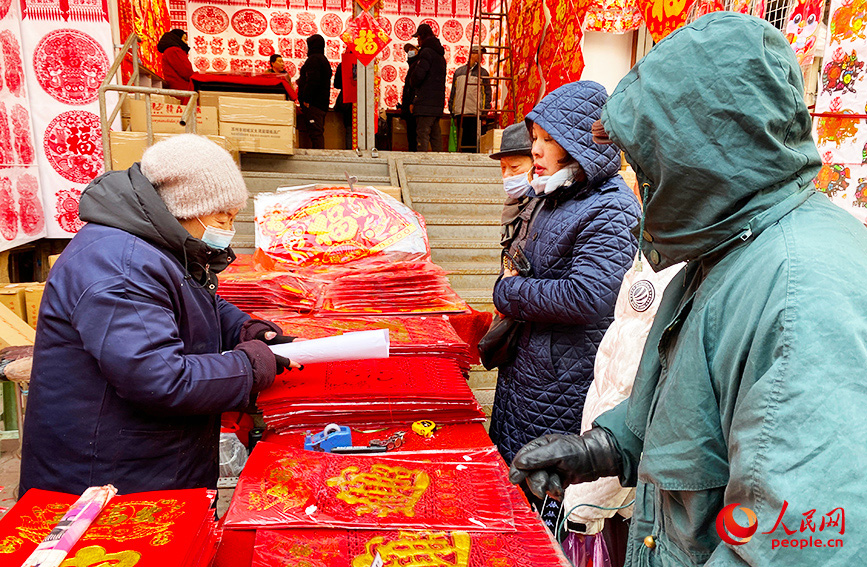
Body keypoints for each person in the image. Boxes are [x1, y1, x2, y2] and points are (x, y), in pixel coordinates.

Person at [508, 13, 867, 566]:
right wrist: (606, 445)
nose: (640, 179)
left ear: (699, 150)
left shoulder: (802, 291)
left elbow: (793, 548)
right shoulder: (730, 245)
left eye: (647, 159)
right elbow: (691, 408)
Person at [19, 135, 299, 497]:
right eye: (221, 215)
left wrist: (244, 329)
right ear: (184, 206)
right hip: (107, 478)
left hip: (151, 460)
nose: (228, 227)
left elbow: (196, 301)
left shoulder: (159, 245)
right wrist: (250, 365)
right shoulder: (120, 267)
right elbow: (160, 378)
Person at [489, 81, 640, 475]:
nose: (535, 149)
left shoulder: (611, 207)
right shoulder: (551, 195)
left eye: (549, 139)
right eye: (536, 137)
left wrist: (510, 292)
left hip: (563, 377)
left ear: (579, 142)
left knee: (545, 488)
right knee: (513, 475)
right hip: (527, 369)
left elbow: (590, 295)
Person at [489, 122, 536, 250]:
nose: (507, 175)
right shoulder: (512, 205)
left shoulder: (545, 204)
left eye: (514, 167)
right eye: (503, 167)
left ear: (535, 163)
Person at [408, 24, 446, 152]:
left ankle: (420, 166)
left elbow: (418, 76)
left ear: (420, 37)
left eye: (417, 37)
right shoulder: (440, 56)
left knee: (422, 136)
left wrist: (412, 74)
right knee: (436, 137)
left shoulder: (426, 53)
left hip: (425, 103)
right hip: (437, 103)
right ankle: (438, 165)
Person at [449, 46, 492, 152]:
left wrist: (484, 111)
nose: (481, 56)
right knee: (461, 141)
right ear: (472, 54)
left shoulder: (483, 73)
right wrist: (452, 109)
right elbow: (454, 92)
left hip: (475, 112)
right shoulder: (459, 72)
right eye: (478, 53)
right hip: (460, 111)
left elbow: (487, 93)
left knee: (474, 142)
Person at [297, 34, 332, 149]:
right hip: (321, 103)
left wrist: (306, 99)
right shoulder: (323, 59)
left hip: (314, 104)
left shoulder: (314, 60)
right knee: (317, 132)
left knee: (315, 133)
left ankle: (319, 159)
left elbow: (313, 81)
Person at [157, 29, 194, 102]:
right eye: (184, 39)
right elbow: (187, 72)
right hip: (182, 89)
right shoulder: (174, 50)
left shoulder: (169, 51)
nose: (186, 43)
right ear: (177, 38)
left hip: (177, 89)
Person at [399, 43, 421, 152]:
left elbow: (416, 86)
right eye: (408, 50)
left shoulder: (418, 65)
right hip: (409, 107)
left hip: (414, 107)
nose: (410, 52)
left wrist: (413, 101)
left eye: (413, 49)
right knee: (411, 136)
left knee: (414, 136)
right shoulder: (412, 66)